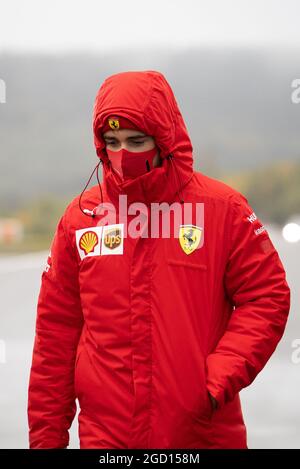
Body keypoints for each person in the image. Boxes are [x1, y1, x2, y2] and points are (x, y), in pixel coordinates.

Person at [27, 70, 290, 449]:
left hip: (202, 435)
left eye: (136, 141)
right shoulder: (80, 218)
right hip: (107, 439)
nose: (122, 154)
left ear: (164, 138)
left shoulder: (223, 209)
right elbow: (55, 336)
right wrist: (46, 439)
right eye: (111, 141)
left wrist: (214, 381)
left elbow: (267, 297)